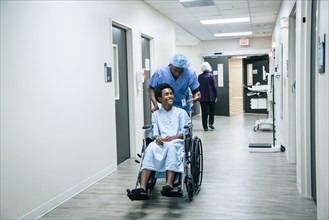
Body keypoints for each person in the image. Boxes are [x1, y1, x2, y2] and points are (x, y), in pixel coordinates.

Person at [127, 83, 190, 200]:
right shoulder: (156, 114)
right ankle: (142, 188)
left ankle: (169, 185)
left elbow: (185, 132)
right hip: (161, 142)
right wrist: (157, 137)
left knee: (171, 147)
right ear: (160, 99)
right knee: (150, 149)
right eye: (167, 94)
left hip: (176, 142)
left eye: (171, 94)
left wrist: (174, 137)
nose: (170, 96)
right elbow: (155, 131)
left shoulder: (181, 113)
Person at [198, 62, 217, 131]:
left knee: (204, 112)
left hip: (202, 97)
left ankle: (205, 127)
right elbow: (214, 87)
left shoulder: (199, 76)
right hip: (211, 97)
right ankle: (211, 123)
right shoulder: (211, 76)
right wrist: (216, 96)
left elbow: (198, 87)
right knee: (211, 110)